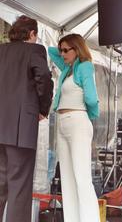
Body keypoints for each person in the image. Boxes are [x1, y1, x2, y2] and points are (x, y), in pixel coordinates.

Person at [0, 15, 53, 222]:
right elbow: (45, 78)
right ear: (32, 34)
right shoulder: (34, 50)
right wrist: (43, 109)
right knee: (19, 187)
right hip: (21, 130)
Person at [48, 33, 100, 222]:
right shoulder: (68, 69)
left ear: (77, 49)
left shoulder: (84, 66)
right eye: (61, 50)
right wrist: (64, 47)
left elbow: (91, 98)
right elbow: (50, 51)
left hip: (77, 120)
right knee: (68, 181)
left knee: (82, 178)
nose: (61, 54)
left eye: (66, 50)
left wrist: (91, 112)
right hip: (63, 122)